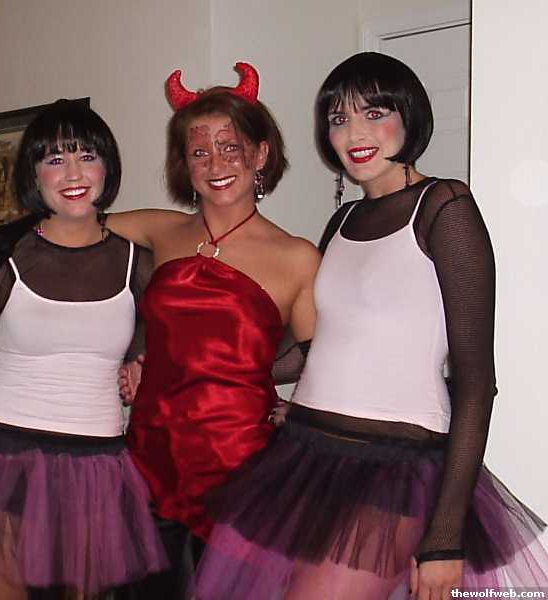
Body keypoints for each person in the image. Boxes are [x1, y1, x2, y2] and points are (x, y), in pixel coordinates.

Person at [195, 52, 548, 600]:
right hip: (306, 453)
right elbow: (316, 346)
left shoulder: (444, 206)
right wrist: (207, 364)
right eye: (339, 119)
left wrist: (445, 537)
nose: (354, 134)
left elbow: (477, 383)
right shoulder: (343, 220)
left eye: (374, 113)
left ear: (409, 117)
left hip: (395, 468)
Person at [0, 99, 167, 600]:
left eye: (86, 156)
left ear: (108, 166)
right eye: (55, 159)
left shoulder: (141, 266)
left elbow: (158, 340)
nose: (73, 173)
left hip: (95, 467)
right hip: (0, 460)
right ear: (34, 175)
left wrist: (142, 358)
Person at [106, 63, 319, 597]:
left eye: (230, 147)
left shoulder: (297, 257)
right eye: (199, 152)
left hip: (242, 474)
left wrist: (300, 412)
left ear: (261, 154)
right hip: (148, 463)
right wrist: (133, 352)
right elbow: (74, 230)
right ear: (185, 163)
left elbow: (325, 361)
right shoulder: (159, 229)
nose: (216, 163)